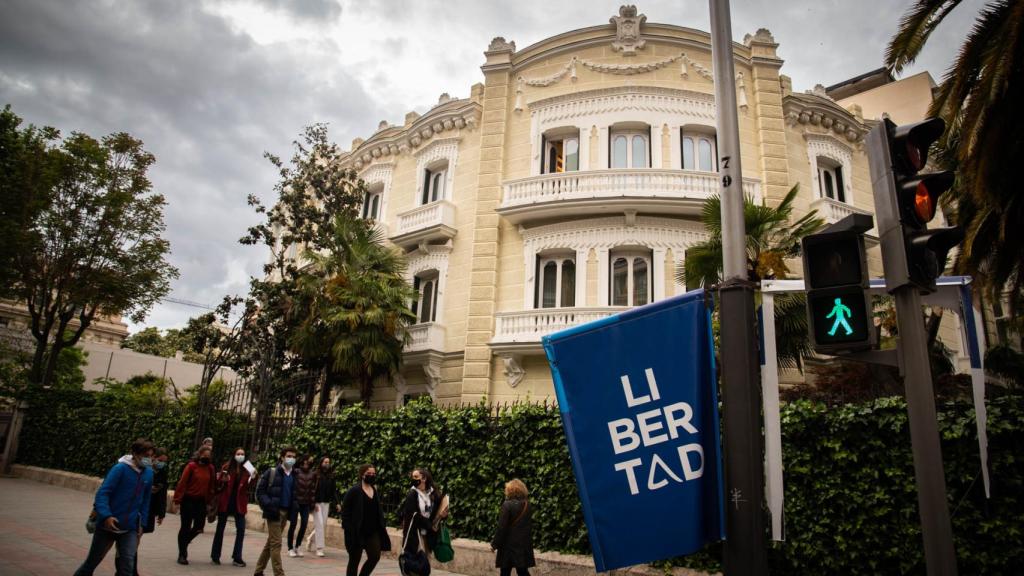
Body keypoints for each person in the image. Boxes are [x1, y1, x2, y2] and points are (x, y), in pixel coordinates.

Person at [73, 438, 154, 576]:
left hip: (130, 528)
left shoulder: (148, 473)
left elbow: (146, 500)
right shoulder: (120, 469)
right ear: (134, 453)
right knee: (92, 562)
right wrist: (106, 515)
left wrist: (143, 523)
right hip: (108, 525)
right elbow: (103, 493)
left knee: (127, 564)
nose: (149, 460)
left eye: (151, 456)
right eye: (145, 456)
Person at [254, 446, 298, 576]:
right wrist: (270, 505)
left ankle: (258, 570)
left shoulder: (294, 475)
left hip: (286, 513)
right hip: (274, 512)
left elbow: (294, 495)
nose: (291, 459)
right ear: (282, 457)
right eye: (289, 456)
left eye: (294, 457)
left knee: (271, 543)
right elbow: (260, 492)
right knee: (277, 543)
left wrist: (294, 510)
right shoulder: (272, 472)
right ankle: (279, 574)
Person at [341, 464, 392, 576]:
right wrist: (349, 528)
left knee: (375, 557)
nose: (372, 476)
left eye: (374, 474)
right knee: (354, 560)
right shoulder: (354, 491)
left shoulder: (374, 490)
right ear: (362, 475)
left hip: (372, 531)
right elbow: (345, 512)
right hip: (357, 532)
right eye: (369, 474)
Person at [173, 444, 217, 565]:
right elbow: (183, 483)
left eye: (208, 456)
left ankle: (184, 541)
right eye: (204, 455)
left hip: (201, 501)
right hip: (188, 500)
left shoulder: (211, 468)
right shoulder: (192, 466)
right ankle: (182, 554)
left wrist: (209, 500)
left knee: (199, 526)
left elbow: (211, 485)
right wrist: (177, 500)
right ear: (199, 455)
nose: (206, 458)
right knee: (185, 526)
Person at [211, 447, 252, 567]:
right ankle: (215, 555)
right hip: (226, 500)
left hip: (239, 502)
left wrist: (254, 477)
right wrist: (222, 479)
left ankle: (237, 556)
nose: (240, 456)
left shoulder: (247, 468)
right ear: (234, 455)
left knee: (241, 529)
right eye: (238, 454)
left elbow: (249, 485)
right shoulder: (227, 467)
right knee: (220, 529)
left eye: (242, 454)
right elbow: (218, 482)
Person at [131, 447, 169, 576]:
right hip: (135, 508)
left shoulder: (161, 471)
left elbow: (163, 491)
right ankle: (129, 569)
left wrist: (161, 513)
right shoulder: (143, 469)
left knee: (135, 539)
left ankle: (128, 568)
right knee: (133, 540)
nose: (161, 463)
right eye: (159, 460)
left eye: (164, 461)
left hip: (149, 508)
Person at [397, 468, 447, 558]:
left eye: (416, 477)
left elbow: (437, 511)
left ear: (424, 478)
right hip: (415, 534)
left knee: (425, 564)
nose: (413, 479)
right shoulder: (412, 494)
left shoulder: (433, 493)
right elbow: (413, 515)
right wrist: (430, 526)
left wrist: (443, 515)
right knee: (416, 564)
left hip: (428, 536)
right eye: (412, 477)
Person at [491, 479, 535, 576]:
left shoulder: (507, 505)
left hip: (508, 546)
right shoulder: (527, 504)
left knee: (505, 572)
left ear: (510, 490)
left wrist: (495, 544)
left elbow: (501, 528)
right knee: (522, 571)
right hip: (523, 544)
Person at [308, 455, 339, 557]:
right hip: (317, 503)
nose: (327, 464)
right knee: (320, 524)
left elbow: (333, 491)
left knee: (322, 525)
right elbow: (311, 490)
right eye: (325, 462)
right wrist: (313, 503)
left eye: (328, 462)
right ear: (321, 463)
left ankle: (310, 538)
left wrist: (337, 503)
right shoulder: (315, 475)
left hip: (326, 503)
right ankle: (319, 548)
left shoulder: (331, 476)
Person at [287, 454, 316, 558]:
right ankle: (290, 548)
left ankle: (297, 546)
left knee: (304, 525)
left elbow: (313, 490)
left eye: (310, 461)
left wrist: (312, 504)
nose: (308, 462)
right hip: (296, 502)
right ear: (303, 461)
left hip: (306, 503)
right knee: (293, 525)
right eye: (307, 460)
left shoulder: (312, 474)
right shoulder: (296, 471)